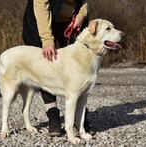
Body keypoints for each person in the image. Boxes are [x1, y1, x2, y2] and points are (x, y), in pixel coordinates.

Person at [22, 0, 89, 137]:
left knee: (76, 67)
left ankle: (78, 116)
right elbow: (41, 5)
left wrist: (81, 16)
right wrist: (47, 39)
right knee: (45, 68)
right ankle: (53, 116)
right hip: (41, 23)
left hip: (69, 22)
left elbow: (84, 1)